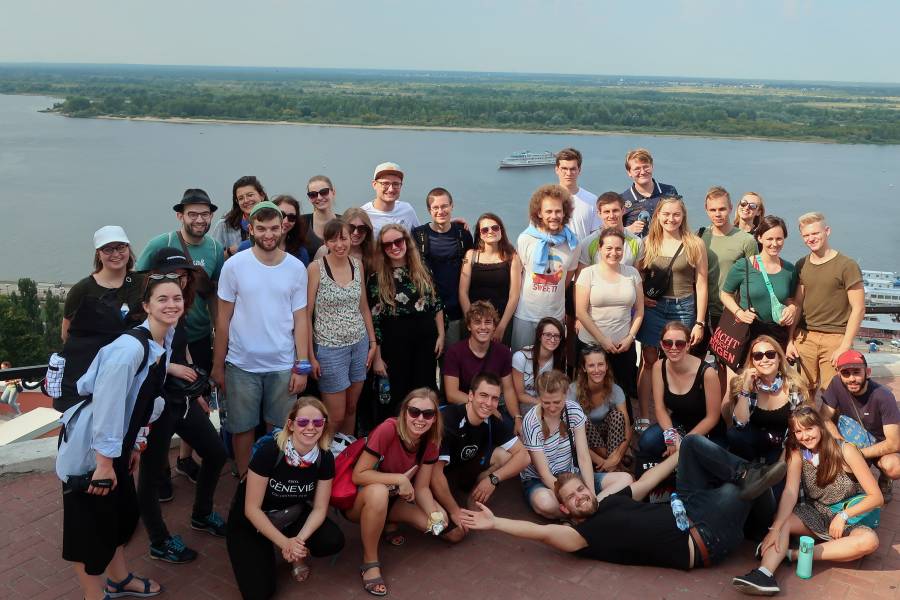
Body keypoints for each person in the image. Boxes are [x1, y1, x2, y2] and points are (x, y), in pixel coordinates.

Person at [462, 434, 788, 570]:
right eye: (573, 498)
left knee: (691, 443)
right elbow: (540, 533)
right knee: (733, 492)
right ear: (565, 510)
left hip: (689, 505)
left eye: (581, 490)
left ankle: (749, 474)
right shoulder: (581, 536)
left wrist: (679, 455)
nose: (581, 496)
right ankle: (762, 517)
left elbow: (647, 481)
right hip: (701, 537)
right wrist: (495, 523)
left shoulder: (607, 501)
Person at [56, 275, 184, 600]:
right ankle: (94, 595)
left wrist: (137, 442)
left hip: (116, 448)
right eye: (162, 299)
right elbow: (109, 407)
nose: (171, 305)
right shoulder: (128, 350)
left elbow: (146, 400)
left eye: (177, 298)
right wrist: (103, 463)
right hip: (91, 451)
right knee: (88, 532)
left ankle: (119, 578)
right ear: (146, 306)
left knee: (118, 518)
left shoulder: (161, 343)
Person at [136, 248, 228, 564]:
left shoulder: (178, 308)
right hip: (152, 407)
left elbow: (182, 348)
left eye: (184, 275)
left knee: (216, 453)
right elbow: (135, 367)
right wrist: (171, 369)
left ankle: (201, 514)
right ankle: (159, 541)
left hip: (181, 400)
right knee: (149, 477)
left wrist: (195, 389)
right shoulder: (139, 319)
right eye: (171, 276)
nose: (179, 281)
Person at [731, 407, 882, 596]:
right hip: (817, 512)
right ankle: (764, 574)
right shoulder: (797, 453)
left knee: (869, 542)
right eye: (798, 431)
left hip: (850, 517)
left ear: (820, 426)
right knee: (783, 520)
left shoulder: (845, 450)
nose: (804, 436)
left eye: (809, 428)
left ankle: (793, 555)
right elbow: (791, 491)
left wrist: (844, 515)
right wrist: (776, 527)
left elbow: (876, 497)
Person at [211, 200, 310, 477]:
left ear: (283, 229)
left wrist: (301, 366)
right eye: (262, 228)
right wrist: (218, 366)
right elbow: (223, 319)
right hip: (241, 365)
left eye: (274, 228)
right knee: (242, 429)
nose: (269, 234)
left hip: (282, 365)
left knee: (278, 428)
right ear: (250, 229)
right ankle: (245, 478)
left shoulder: (295, 268)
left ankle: (272, 477)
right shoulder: (234, 266)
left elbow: (301, 319)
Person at [135, 188, 224, 484]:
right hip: (161, 339)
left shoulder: (213, 249)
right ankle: (159, 467)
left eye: (204, 214)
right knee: (157, 405)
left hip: (196, 336)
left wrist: (217, 328)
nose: (199, 219)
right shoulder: (161, 244)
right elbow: (139, 285)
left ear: (211, 216)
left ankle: (185, 459)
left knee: (194, 396)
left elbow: (212, 292)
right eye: (193, 214)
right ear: (180, 215)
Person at [226, 397, 344, 599]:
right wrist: (285, 543)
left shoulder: (324, 458)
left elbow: (319, 508)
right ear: (290, 424)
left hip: (291, 514)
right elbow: (251, 509)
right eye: (303, 422)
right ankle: (268, 547)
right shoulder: (269, 452)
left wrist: (298, 541)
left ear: (324, 425)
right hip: (254, 520)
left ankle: (293, 552)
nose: (310, 428)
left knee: (332, 541)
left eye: (317, 422)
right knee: (259, 593)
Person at [344, 388, 446, 596]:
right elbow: (359, 475)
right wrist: (399, 479)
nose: (420, 419)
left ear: (435, 418)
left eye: (428, 414)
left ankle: (387, 523)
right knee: (379, 493)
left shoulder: (431, 441)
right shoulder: (388, 429)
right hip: (361, 500)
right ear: (404, 412)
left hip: (395, 499)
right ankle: (370, 561)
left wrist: (435, 516)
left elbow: (422, 487)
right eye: (414, 411)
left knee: (440, 525)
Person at [520, 370, 632, 519]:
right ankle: (583, 513)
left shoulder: (573, 410)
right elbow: (544, 474)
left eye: (557, 402)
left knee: (625, 479)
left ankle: (588, 510)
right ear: (539, 398)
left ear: (565, 395)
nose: (552, 408)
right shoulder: (531, 422)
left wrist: (590, 495)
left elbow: (583, 456)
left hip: (571, 474)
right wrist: (570, 496)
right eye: (546, 403)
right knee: (545, 503)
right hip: (541, 481)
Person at [430, 373, 530, 540]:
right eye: (483, 396)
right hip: (432, 482)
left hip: (463, 470)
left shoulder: (493, 419)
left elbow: (524, 456)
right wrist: (454, 511)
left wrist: (493, 479)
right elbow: (434, 476)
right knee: (454, 534)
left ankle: (472, 497)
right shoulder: (448, 420)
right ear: (470, 395)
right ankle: (410, 512)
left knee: (505, 457)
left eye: (494, 398)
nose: (488, 403)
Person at [635, 196, 708, 427]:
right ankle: (645, 415)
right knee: (648, 360)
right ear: (658, 216)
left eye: (676, 214)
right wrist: (642, 298)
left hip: (683, 306)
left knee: (678, 359)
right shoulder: (648, 242)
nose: (671, 219)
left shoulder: (694, 243)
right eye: (666, 214)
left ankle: (675, 413)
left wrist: (699, 322)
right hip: (655, 307)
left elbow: (702, 283)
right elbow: (638, 275)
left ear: (683, 216)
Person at [307, 218, 377, 436]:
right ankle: (324, 459)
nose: (340, 245)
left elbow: (364, 306)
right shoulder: (316, 268)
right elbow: (306, 314)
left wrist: (373, 343)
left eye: (344, 238)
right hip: (329, 348)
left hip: (359, 344)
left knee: (351, 409)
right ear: (326, 242)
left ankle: (346, 457)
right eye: (333, 240)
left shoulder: (357, 265)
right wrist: (310, 356)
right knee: (334, 416)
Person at [368, 224, 444, 416]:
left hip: (425, 343)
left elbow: (436, 303)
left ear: (406, 242)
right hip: (395, 346)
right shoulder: (377, 278)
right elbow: (374, 320)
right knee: (397, 395)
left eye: (398, 241)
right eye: (387, 245)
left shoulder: (422, 268)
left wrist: (441, 335)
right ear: (382, 249)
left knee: (424, 392)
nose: (394, 247)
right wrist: (376, 357)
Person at [787, 212, 865, 401]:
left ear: (827, 231)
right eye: (806, 235)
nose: (811, 239)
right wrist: (789, 340)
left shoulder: (847, 265)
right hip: (805, 338)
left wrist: (845, 345)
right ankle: (804, 431)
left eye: (815, 233)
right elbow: (797, 303)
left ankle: (832, 431)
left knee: (835, 396)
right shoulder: (801, 264)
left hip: (835, 338)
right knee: (800, 395)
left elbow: (859, 308)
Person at [637, 322, 725, 474]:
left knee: (705, 463)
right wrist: (671, 436)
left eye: (680, 343)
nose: (673, 348)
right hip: (679, 423)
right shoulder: (659, 366)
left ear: (688, 344)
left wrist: (683, 443)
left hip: (707, 430)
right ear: (661, 344)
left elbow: (712, 418)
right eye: (667, 343)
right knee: (646, 442)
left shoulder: (707, 373)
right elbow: (659, 407)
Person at [575, 227, 643, 407]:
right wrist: (602, 340)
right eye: (609, 248)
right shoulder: (587, 274)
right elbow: (581, 312)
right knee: (590, 393)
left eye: (619, 248)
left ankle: (624, 429)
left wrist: (630, 338)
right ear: (600, 248)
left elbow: (640, 311)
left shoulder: (632, 274)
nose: (614, 253)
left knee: (622, 393)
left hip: (623, 346)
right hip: (592, 344)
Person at [820, 350, 899, 503]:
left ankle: (885, 478)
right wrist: (842, 444)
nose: (851, 379)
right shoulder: (837, 384)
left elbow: (894, 443)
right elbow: (823, 418)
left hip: (879, 445)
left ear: (867, 372)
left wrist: (856, 455)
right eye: (846, 373)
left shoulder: (884, 396)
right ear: (839, 374)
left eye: (856, 372)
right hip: (851, 438)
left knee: (894, 466)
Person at [699, 186, 757, 387]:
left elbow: (753, 278)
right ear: (706, 210)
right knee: (697, 363)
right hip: (702, 311)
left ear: (731, 208)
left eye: (722, 209)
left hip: (730, 313)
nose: (718, 214)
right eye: (713, 210)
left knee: (726, 365)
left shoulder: (746, 240)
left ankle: (727, 411)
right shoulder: (700, 236)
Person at [511, 184, 579, 352]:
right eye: (548, 211)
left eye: (558, 211)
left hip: (554, 316)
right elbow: (518, 277)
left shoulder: (572, 244)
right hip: (526, 315)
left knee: (552, 370)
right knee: (520, 363)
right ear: (539, 213)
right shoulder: (525, 239)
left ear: (565, 213)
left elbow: (566, 280)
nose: (554, 216)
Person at [722, 336, 808, 465]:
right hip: (751, 445)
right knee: (734, 435)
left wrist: (782, 461)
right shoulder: (746, 384)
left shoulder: (793, 386)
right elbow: (740, 423)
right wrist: (746, 388)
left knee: (775, 475)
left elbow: (799, 427)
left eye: (770, 354)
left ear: (779, 358)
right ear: (752, 361)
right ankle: (748, 471)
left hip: (781, 445)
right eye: (758, 356)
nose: (764, 359)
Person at [720, 215, 799, 350]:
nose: (774, 244)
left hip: (777, 334)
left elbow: (791, 299)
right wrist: (739, 313)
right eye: (769, 239)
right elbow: (725, 294)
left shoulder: (790, 270)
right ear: (759, 238)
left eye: (779, 239)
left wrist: (791, 309)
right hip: (748, 331)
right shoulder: (743, 266)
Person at [412, 188, 474, 347]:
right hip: (428, 312)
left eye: (444, 206)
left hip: (456, 312)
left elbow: (472, 268)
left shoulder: (463, 235)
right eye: (435, 208)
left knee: (453, 362)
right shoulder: (418, 236)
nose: (441, 211)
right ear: (429, 210)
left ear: (452, 206)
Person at [458, 212, 522, 346]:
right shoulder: (470, 255)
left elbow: (514, 296)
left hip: (501, 321)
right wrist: (472, 322)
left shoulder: (512, 257)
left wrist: (502, 326)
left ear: (501, 230)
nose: (490, 232)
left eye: (495, 228)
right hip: (474, 321)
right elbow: (463, 292)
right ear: (480, 234)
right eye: (485, 229)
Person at [443, 301, 515, 409]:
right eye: (477, 322)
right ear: (469, 326)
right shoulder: (454, 352)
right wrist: (483, 405)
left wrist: (517, 418)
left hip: (491, 407)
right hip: (463, 407)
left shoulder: (503, 352)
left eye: (487, 322)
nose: (483, 327)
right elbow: (452, 394)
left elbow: (508, 390)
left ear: (494, 326)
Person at [570, 346, 632, 473]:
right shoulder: (572, 391)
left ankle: (612, 466)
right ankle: (613, 468)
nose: (597, 370)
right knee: (581, 421)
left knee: (617, 416)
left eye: (600, 364)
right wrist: (604, 462)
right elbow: (571, 435)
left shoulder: (616, 390)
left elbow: (627, 428)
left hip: (610, 440)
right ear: (584, 368)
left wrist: (617, 456)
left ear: (606, 366)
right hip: (583, 444)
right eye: (591, 365)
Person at [511, 317, 566, 429]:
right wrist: (542, 403)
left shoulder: (559, 359)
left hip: (550, 403)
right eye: (548, 335)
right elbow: (520, 395)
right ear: (540, 336)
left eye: (556, 336)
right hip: (527, 404)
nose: (552, 339)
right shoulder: (521, 357)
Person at [620, 148, 678, 238]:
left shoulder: (670, 191)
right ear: (629, 172)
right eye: (637, 169)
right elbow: (613, 230)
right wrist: (628, 229)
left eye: (646, 166)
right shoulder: (623, 199)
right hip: (639, 250)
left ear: (652, 166)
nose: (642, 172)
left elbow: (681, 218)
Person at [238, 195, 311, 266]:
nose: (285, 221)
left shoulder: (300, 253)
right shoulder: (245, 248)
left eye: (292, 217)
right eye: (282, 214)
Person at [578, 191, 642, 268]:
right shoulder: (587, 243)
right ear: (599, 214)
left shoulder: (637, 242)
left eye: (615, 210)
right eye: (607, 212)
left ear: (623, 210)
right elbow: (581, 278)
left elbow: (639, 276)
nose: (611, 216)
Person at [211, 175, 266, 259]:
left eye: (250, 195)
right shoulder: (224, 225)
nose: (246, 201)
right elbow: (212, 259)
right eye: (241, 198)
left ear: (262, 195)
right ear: (237, 201)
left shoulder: (276, 221)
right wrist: (230, 251)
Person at [361, 162, 420, 234]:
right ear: (374, 184)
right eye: (385, 183)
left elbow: (420, 237)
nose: (391, 189)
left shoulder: (407, 210)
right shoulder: (363, 215)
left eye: (396, 184)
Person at [555, 147, 600, 243]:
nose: (568, 173)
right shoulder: (546, 200)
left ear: (579, 170)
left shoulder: (591, 200)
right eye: (564, 169)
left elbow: (596, 236)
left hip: (583, 256)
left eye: (573, 169)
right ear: (557, 170)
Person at [317, 206, 378, 271]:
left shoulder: (374, 252)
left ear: (367, 231)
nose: (355, 233)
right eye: (351, 227)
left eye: (361, 228)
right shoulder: (324, 251)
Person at [302, 175, 340, 257]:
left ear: (333, 192)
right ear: (309, 198)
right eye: (313, 194)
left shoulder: (345, 222)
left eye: (324, 192)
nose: (319, 197)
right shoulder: (302, 223)